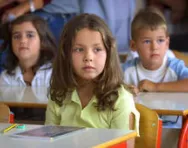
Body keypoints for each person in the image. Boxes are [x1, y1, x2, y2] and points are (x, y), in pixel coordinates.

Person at [45, 13, 140, 136]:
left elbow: (124, 145)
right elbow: (48, 141)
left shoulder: (121, 99)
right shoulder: (59, 93)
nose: (88, 57)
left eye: (97, 49)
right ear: (66, 54)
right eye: (79, 49)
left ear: (108, 54)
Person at [123, 7, 188, 92]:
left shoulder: (175, 66)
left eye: (160, 40)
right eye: (147, 41)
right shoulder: (126, 70)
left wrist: (155, 87)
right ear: (133, 45)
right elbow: (110, 88)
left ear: (167, 44)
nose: (154, 47)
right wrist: (126, 91)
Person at [0, 14, 57, 86]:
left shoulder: (55, 75)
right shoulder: (5, 78)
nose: (22, 41)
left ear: (42, 42)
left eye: (30, 35)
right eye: (17, 36)